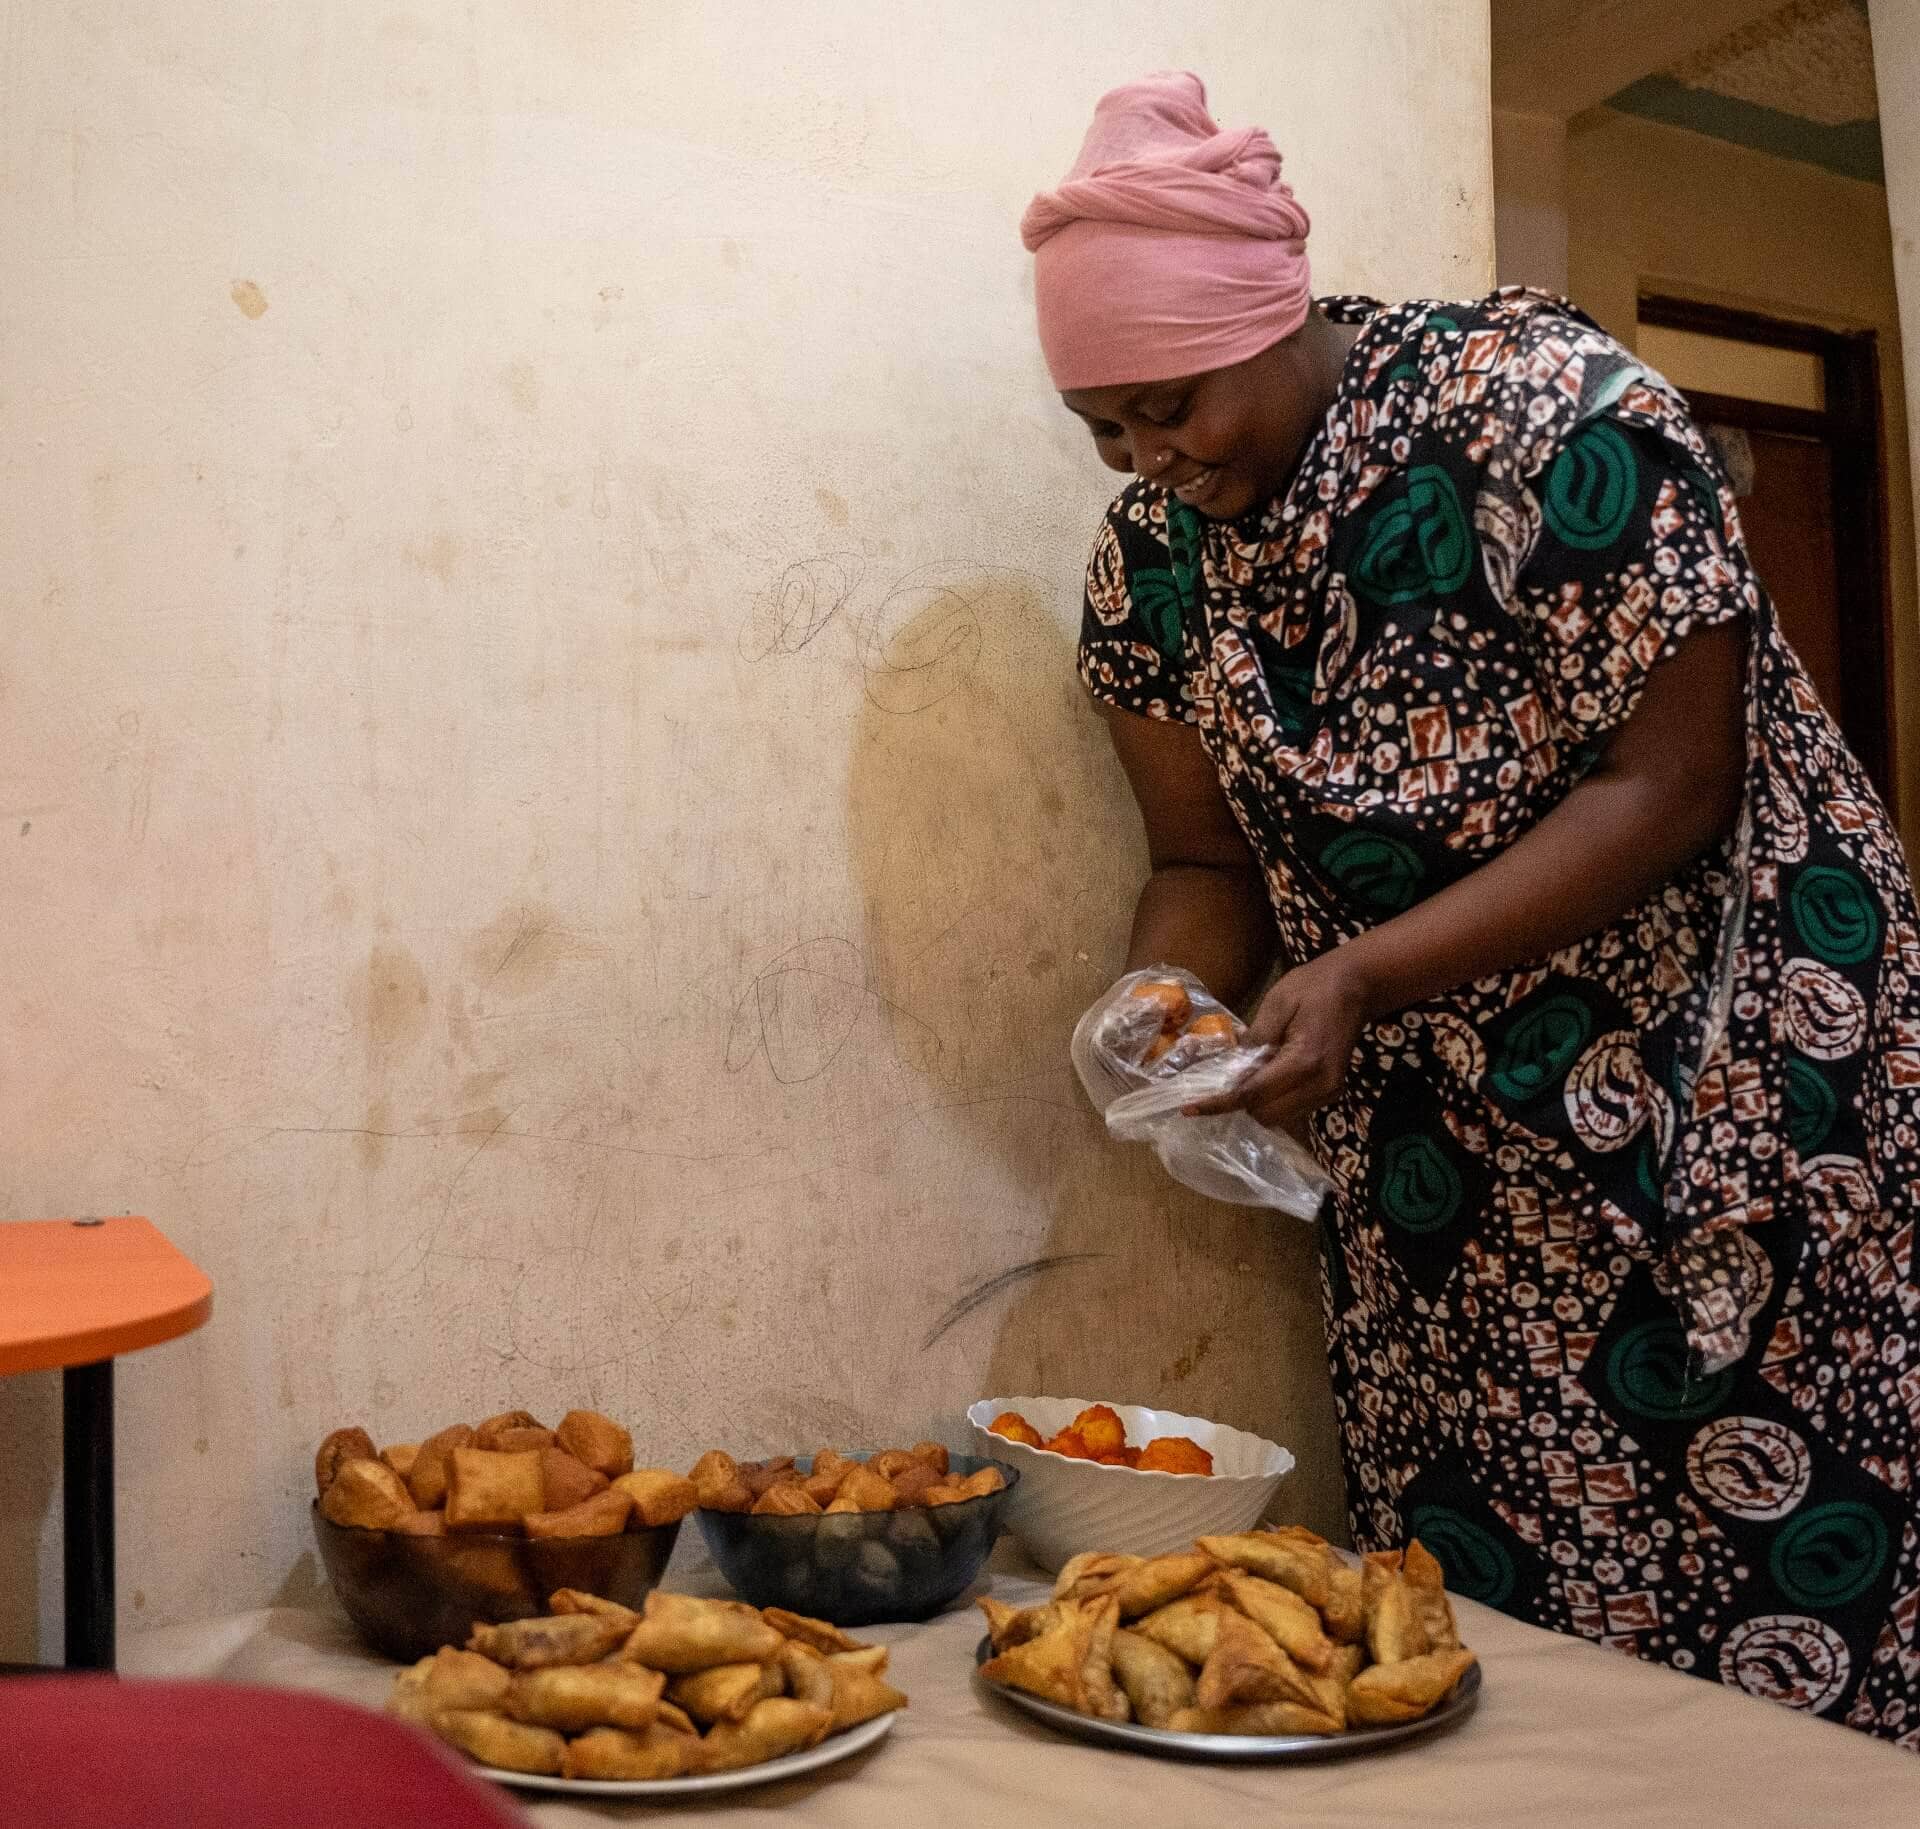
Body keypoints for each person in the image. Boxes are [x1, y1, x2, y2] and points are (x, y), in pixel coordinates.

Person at [1022, 71, 1920, 1745]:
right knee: (1486, 1622)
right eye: (1106, 430)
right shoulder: (1149, 561)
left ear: (1268, 315)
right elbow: (1207, 864)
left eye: (1174, 406)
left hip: (1725, 1077)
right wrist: (1158, 1003)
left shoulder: (1548, 417)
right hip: (1453, 1150)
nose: (1150, 459)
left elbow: (1670, 789)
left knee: (1777, 1601)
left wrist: (1361, 970)